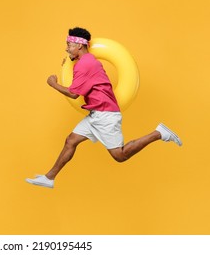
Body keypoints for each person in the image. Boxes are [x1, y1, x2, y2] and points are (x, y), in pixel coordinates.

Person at [26, 27, 182, 189]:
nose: (66, 48)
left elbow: (73, 94)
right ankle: (49, 178)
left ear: (80, 46)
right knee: (71, 141)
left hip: (105, 114)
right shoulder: (87, 62)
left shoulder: (85, 64)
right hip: (96, 113)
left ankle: (158, 133)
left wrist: (53, 84)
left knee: (120, 155)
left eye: (69, 45)